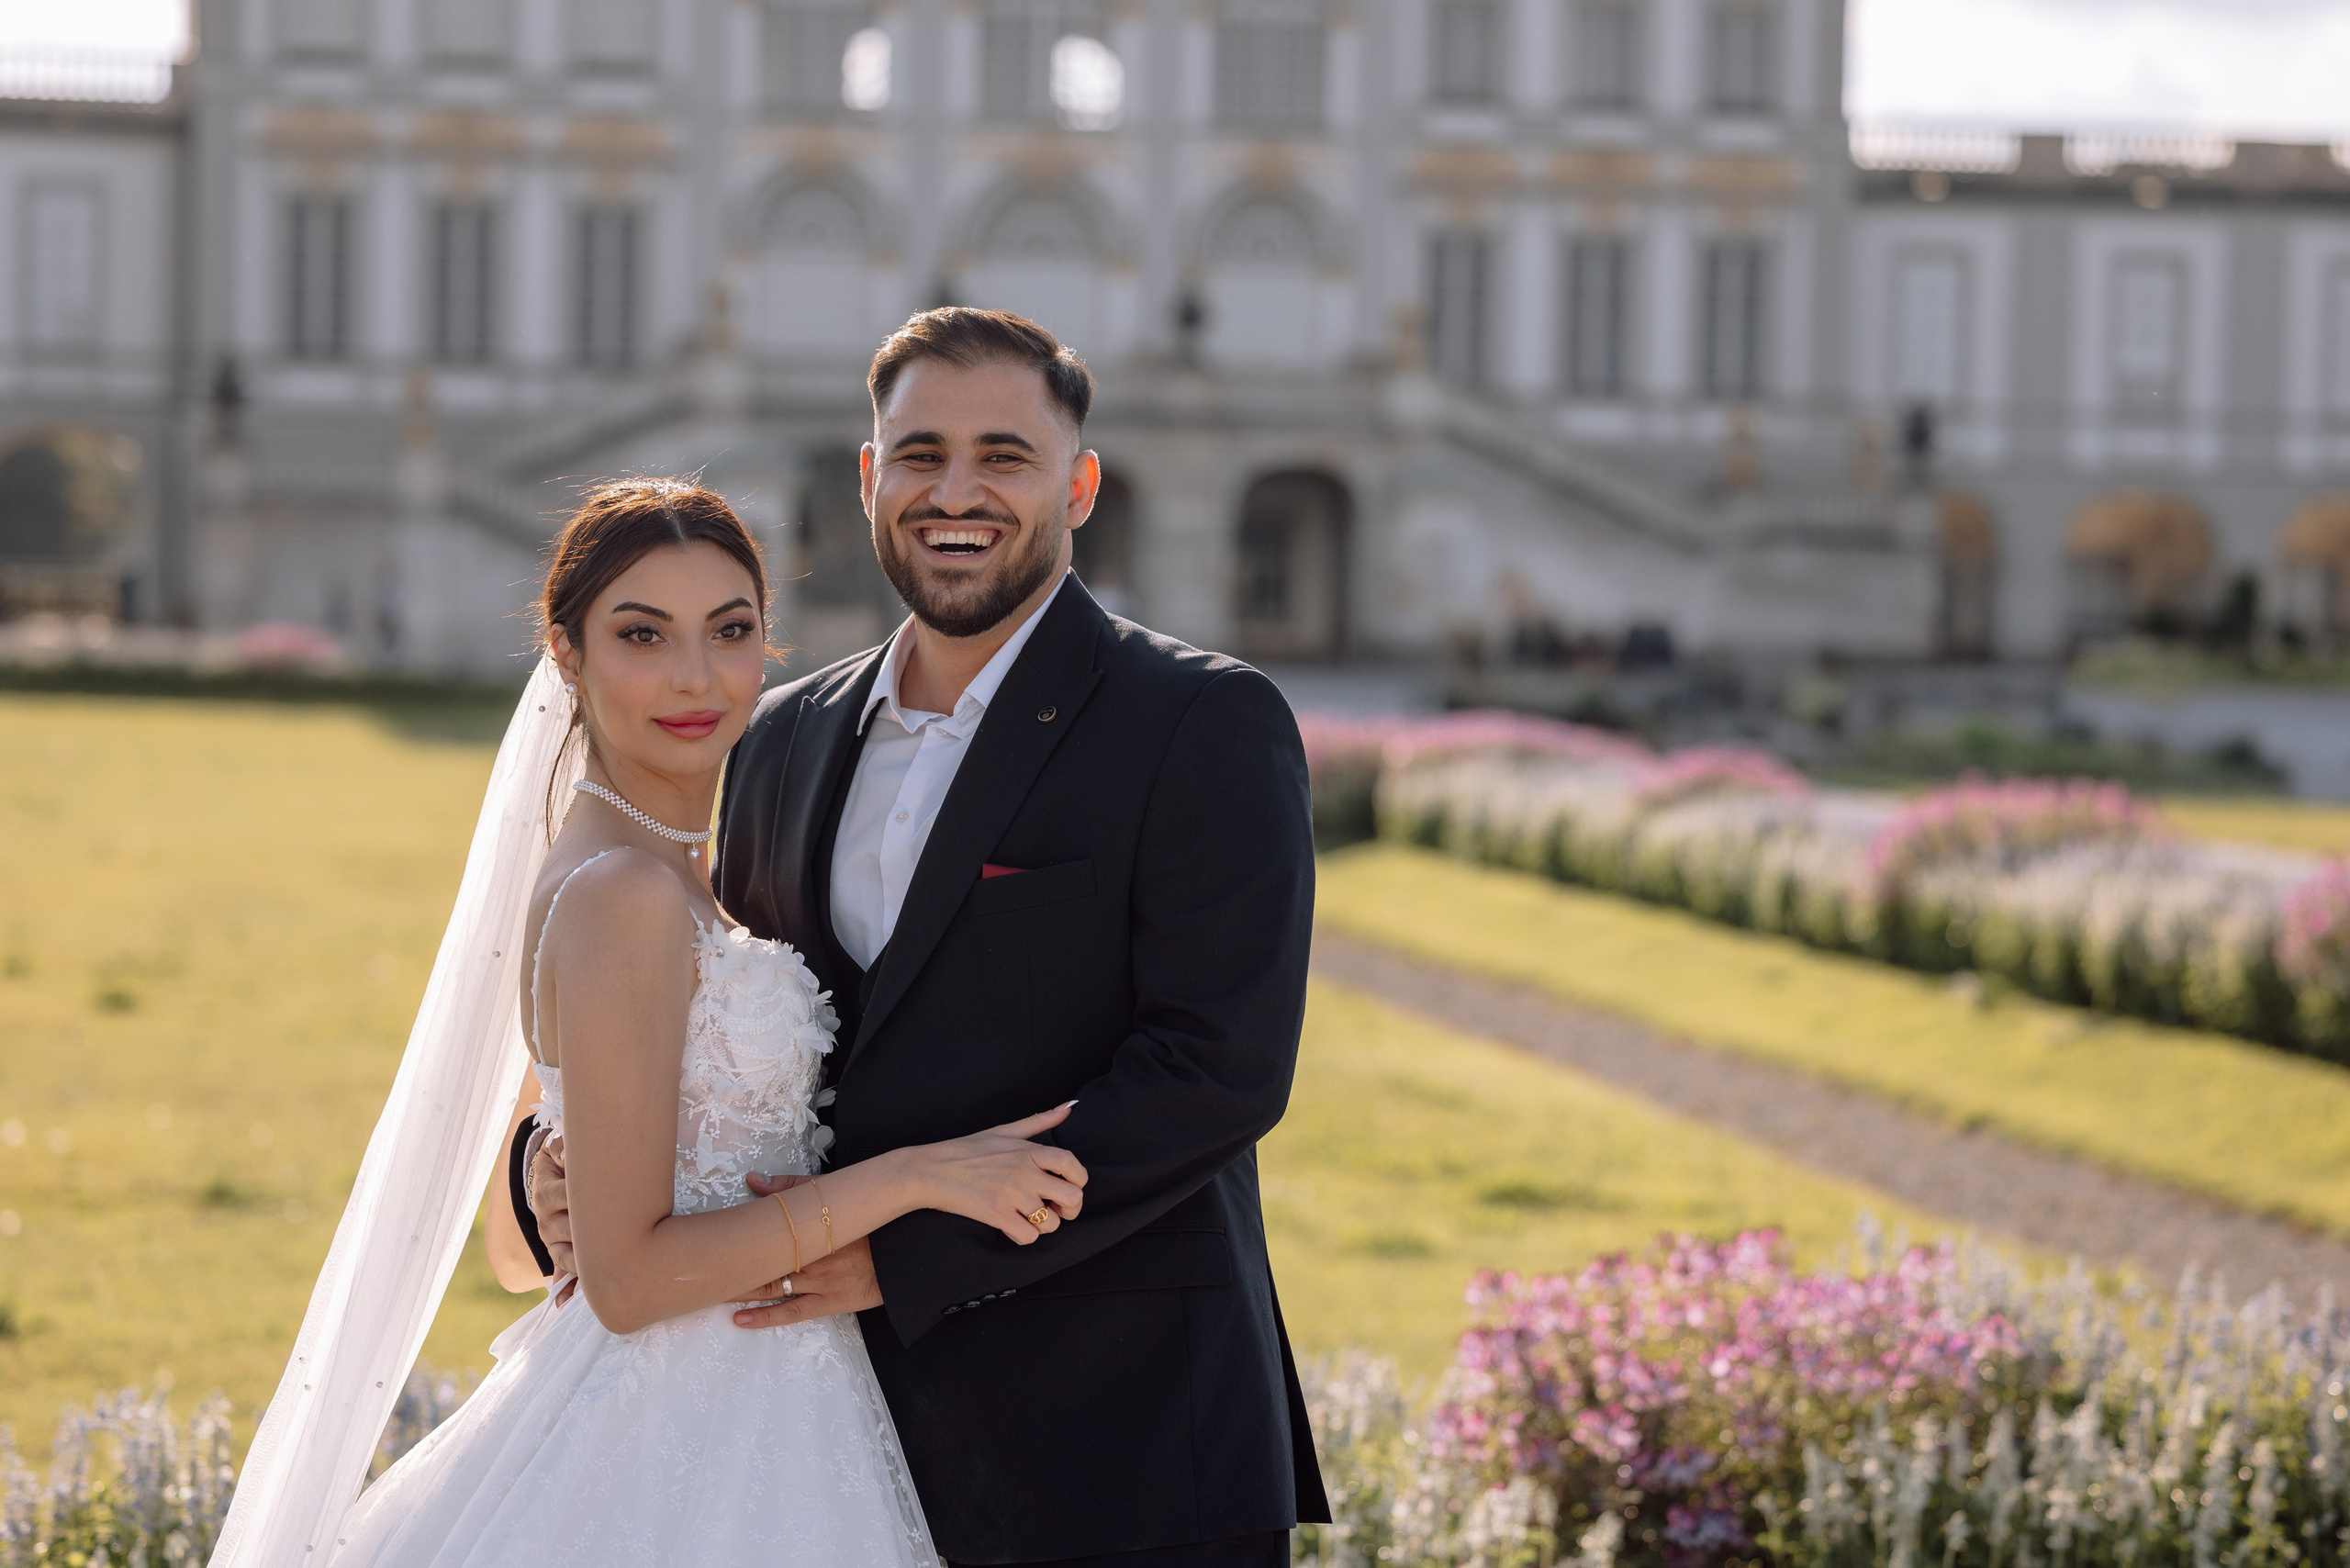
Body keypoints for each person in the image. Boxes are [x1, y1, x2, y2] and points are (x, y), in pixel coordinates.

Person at [520, 308, 1330, 1567]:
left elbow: (1218, 1068)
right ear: (868, 477)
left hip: (1122, 1442)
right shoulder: (779, 736)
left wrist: (906, 1255)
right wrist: (549, 1173)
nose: (958, 492)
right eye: (921, 454)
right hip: (824, 1446)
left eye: (1004, 456)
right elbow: (717, 1016)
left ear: (1080, 482)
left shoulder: (1201, 722)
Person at [214, 479, 1092, 1566]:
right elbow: (624, 1285)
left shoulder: (666, 871)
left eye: (730, 630)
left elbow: (514, 1243)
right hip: (671, 1431)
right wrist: (916, 1176)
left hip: (768, 1401)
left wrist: (548, 1159)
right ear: (567, 654)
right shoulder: (623, 894)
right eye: (643, 634)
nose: (696, 675)